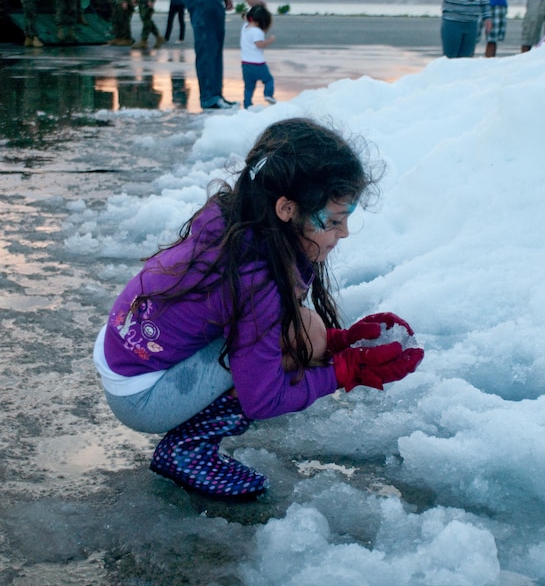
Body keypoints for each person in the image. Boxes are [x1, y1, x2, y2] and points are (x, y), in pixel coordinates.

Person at [93, 118, 424, 500]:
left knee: (307, 332)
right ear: (286, 208)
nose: (344, 232)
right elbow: (263, 398)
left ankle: (191, 430)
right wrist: (346, 370)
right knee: (299, 341)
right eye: (333, 221)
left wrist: (338, 341)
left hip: (126, 354)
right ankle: (186, 450)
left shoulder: (241, 219)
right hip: (142, 393)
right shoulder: (256, 277)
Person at [240, 4, 276, 108]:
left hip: (245, 64)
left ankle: (247, 104)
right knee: (268, 80)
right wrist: (270, 40)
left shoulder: (245, 27)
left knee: (248, 87)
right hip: (258, 64)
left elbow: (244, 17)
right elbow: (259, 44)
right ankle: (268, 95)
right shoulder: (257, 31)